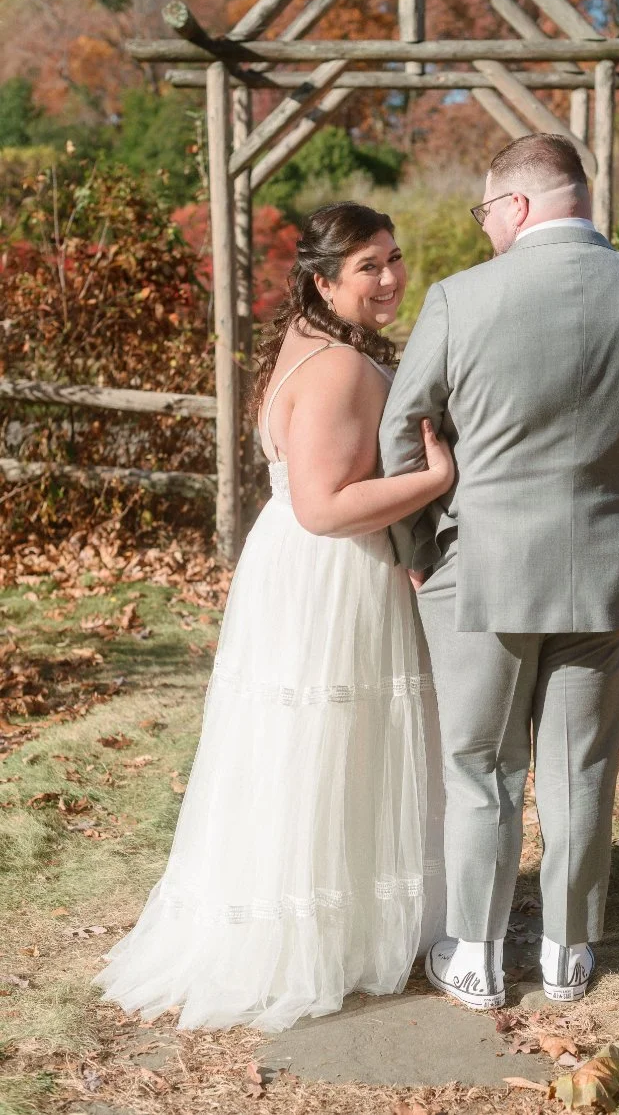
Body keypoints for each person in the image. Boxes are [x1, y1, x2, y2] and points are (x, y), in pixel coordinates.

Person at [379, 133, 619, 1010]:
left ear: (520, 205)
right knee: (583, 767)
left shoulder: (459, 299)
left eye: (486, 211)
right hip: (613, 570)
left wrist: (418, 549)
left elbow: (400, 428)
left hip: (480, 570)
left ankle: (478, 954)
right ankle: (569, 953)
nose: (485, 227)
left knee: (481, 767)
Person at [94, 203, 450, 1032]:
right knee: (328, 743)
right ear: (324, 281)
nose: (392, 277)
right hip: (332, 571)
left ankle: (332, 916)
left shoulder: (311, 344)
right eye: (370, 266)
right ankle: (323, 934)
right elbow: (327, 508)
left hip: (299, 568)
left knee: (309, 748)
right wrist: (435, 479)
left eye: (395, 258)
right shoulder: (336, 367)